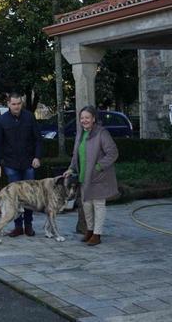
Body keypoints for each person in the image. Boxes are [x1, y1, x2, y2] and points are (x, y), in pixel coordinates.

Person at [63, 105, 119, 246]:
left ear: (93, 119)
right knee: (86, 205)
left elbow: (113, 153)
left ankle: (97, 234)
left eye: (87, 117)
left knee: (98, 205)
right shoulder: (80, 134)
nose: (84, 120)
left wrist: (99, 166)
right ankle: (90, 230)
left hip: (98, 177)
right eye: (82, 118)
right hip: (84, 177)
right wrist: (71, 168)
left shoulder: (102, 133)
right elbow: (76, 155)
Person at [0, 93, 42, 237]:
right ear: (8, 104)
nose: (16, 107)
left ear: (22, 104)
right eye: (13, 104)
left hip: (28, 163)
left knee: (30, 197)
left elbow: (38, 139)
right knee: (14, 198)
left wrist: (37, 157)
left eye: (19, 104)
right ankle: (18, 226)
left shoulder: (29, 117)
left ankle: (29, 225)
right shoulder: (2, 120)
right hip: (10, 164)